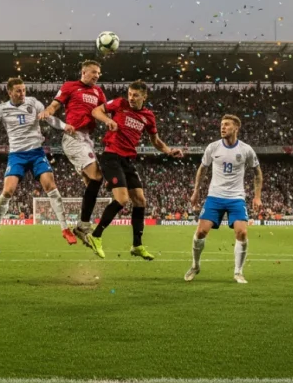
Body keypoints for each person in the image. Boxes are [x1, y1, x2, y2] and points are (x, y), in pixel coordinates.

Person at [0, 77, 77, 248]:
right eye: (18, 91)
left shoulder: (33, 102)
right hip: (17, 155)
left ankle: (65, 228)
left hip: (37, 152)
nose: (22, 93)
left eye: (24, 90)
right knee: (8, 191)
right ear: (9, 92)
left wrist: (63, 126)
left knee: (50, 187)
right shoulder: (3, 109)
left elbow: (49, 118)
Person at [86, 80, 184, 260]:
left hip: (127, 160)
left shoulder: (148, 116)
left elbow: (156, 141)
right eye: (130, 94)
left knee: (140, 200)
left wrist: (169, 151)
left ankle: (137, 245)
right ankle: (96, 235)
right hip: (111, 156)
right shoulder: (119, 104)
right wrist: (108, 120)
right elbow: (95, 110)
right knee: (122, 199)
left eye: (136, 95)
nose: (131, 98)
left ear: (144, 97)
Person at [185, 115, 263, 284]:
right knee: (200, 232)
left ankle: (238, 272)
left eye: (227, 125)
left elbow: (257, 172)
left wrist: (257, 197)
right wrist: (196, 191)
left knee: (242, 232)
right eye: (221, 124)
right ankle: (195, 265)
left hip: (236, 197)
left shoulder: (246, 150)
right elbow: (202, 169)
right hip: (215, 196)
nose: (222, 127)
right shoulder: (213, 148)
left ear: (236, 128)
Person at [39, 60, 106, 246]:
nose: (97, 76)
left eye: (99, 73)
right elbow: (55, 105)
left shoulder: (98, 92)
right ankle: (84, 225)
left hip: (88, 139)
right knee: (97, 176)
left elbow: (106, 111)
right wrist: (47, 111)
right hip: (74, 137)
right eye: (93, 72)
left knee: (91, 182)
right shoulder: (70, 86)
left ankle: (83, 227)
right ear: (83, 72)